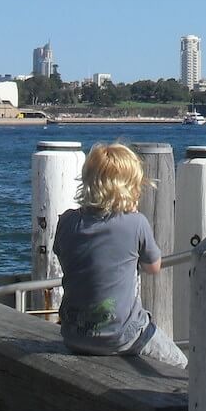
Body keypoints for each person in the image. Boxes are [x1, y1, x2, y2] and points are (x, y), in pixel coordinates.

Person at [53, 142, 188, 368]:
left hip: (74, 335)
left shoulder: (66, 221)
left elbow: (62, 254)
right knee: (181, 365)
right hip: (123, 335)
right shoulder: (136, 223)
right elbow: (153, 267)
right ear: (130, 187)